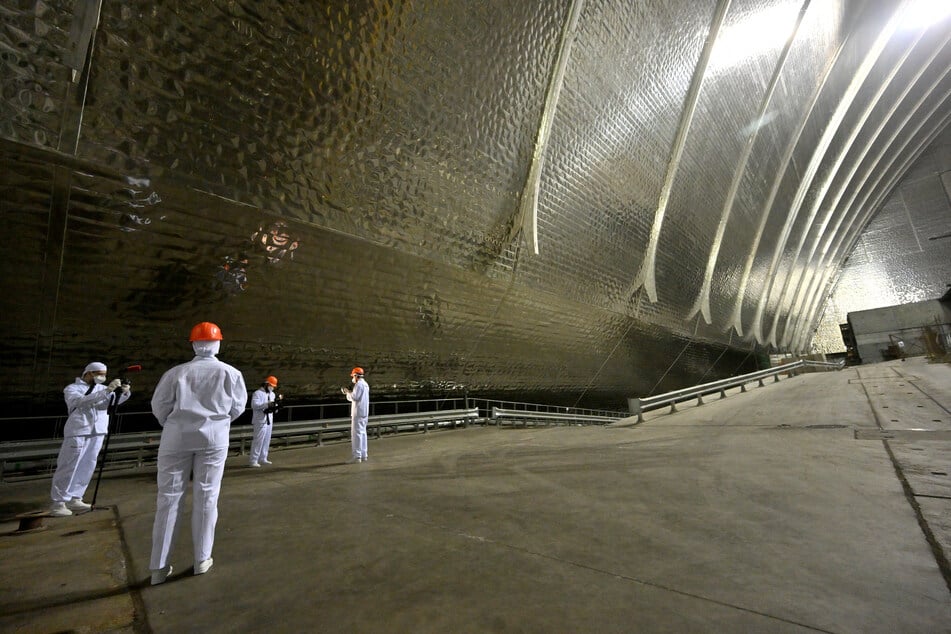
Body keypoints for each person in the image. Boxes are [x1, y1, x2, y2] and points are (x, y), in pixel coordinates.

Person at [149, 322, 247, 585]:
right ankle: (202, 560)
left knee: (168, 498)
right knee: (207, 496)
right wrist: (216, 421)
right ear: (218, 344)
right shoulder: (231, 373)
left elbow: (159, 406)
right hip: (214, 436)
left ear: (193, 344)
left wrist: (174, 424)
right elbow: (237, 407)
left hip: (176, 436)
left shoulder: (176, 373)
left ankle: (158, 568)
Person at [50, 362, 130, 517]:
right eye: (98, 373)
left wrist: (124, 393)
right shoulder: (72, 389)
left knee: (88, 465)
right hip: (79, 430)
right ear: (88, 373)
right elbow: (79, 402)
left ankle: (76, 497)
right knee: (68, 465)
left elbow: (112, 402)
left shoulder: (102, 389)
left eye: (104, 374)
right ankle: (58, 502)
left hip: (97, 431)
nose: (102, 377)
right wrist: (107, 390)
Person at [249, 375, 282, 467]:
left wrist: (275, 408)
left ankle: (263, 458)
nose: (272, 388)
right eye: (271, 386)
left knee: (267, 439)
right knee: (258, 440)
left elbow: (273, 404)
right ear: (266, 384)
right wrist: (267, 405)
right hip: (260, 420)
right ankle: (253, 460)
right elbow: (254, 405)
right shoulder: (257, 393)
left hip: (269, 419)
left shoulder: (272, 394)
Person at [341, 367, 369, 463]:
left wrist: (347, 392)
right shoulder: (365, 384)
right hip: (364, 412)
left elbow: (354, 397)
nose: (352, 378)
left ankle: (357, 456)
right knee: (363, 433)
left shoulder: (359, 385)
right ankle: (364, 454)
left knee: (356, 435)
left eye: (353, 376)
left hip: (357, 413)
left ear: (356, 376)